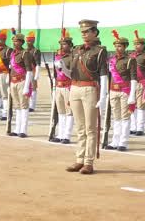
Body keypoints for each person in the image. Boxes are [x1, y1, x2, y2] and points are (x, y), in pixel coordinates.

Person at [64, 19, 108, 175]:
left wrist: (103, 96)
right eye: (82, 32)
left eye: (87, 31)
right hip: (75, 87)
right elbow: (71, 73)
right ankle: (79, 159)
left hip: (90, 88)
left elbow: (103, 74)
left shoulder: (100, 51)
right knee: (80, 127)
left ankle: (88, 162)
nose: (84, 34)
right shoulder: (77, 50)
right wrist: (62, 67)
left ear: (95, 32)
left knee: (90, 128)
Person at [105, 31, 137, 152]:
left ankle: (123, 142)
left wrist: (132, 95)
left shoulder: (130, 60)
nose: (117, 48)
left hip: (125, 91)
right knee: (116, 117)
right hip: (113, 90)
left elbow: (134, 77)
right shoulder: (112, 60)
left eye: (120, 46)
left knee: (125, 117)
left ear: (125, 46)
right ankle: (115, 141)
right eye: (116, 46)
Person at [8, 33, 34, 138]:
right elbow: (11, 68)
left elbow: (29, 70)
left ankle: (23, 130)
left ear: (22, 42)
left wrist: (27, 86)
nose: (15, 43)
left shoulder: (25, 53)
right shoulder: (13, 53)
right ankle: (17, 128)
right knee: (17, 106)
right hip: (13, 81)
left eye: (17, 41)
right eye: (14, 41)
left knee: (24, 106)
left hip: (22, 81)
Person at [52, 31, 74, 144]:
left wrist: (64, 67)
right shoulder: (57, 56)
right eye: (61, 44)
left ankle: (67, 135)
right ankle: (60, 134)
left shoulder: (72, 57)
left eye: (64, 44)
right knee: (60, 111)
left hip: (68, 86)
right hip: (59, 86)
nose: (62, 46)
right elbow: (55, 73)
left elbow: (72, 74)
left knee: (69, 111)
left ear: (70, 45)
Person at [129, 31, 145, 135]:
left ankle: (140, 127)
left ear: (143, 45)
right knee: (131, 105)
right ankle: (133, 127)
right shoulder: (131, 56)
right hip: (131, 84)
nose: (136, 46)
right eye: (134, 44)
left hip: (142, 83)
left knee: (140, 106)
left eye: (138, 44)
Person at [25, 31, 42, 112]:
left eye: (30, 41)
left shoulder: (36, 51)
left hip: (33, 71)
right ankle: (26, 104)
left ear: (33, 41)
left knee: (33, 88)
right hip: (25, 71)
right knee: (26, 87)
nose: (29, 43)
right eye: (27, 41)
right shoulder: (25, 50)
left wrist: (37, 75)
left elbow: (38, 63)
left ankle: (32, 105)